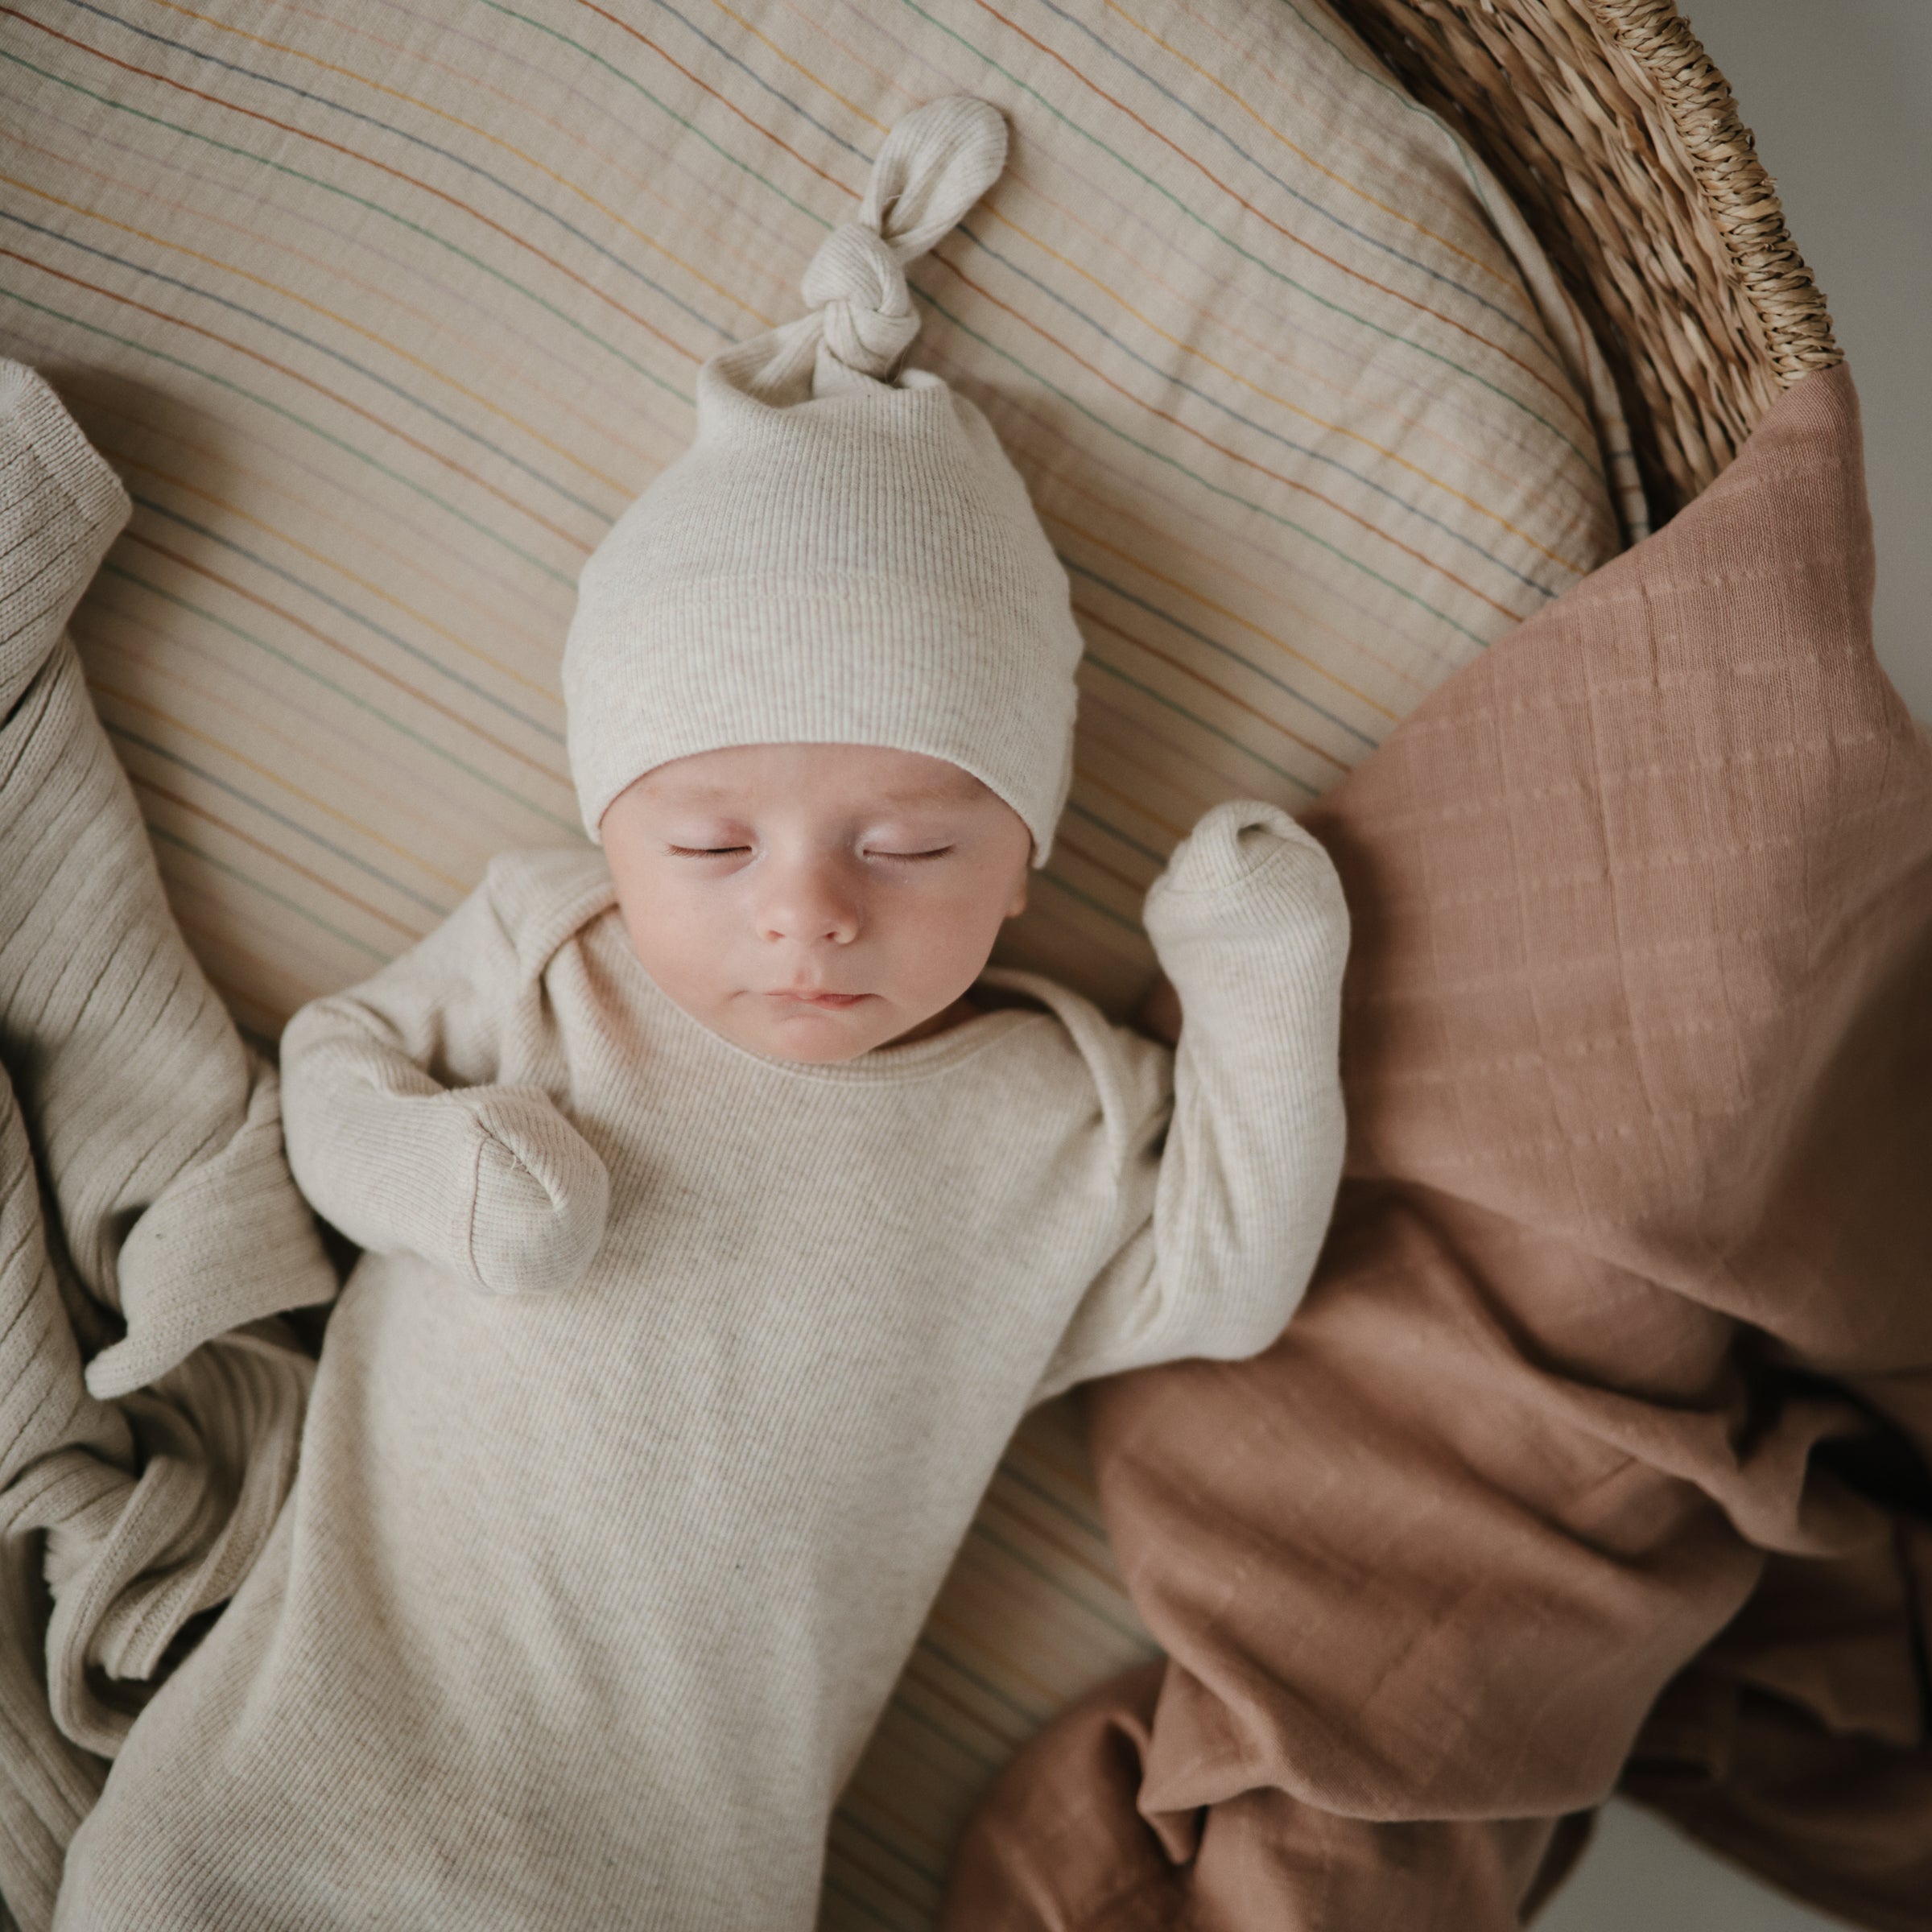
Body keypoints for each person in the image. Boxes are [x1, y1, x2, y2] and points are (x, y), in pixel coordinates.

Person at [56, 97, 1349, 1930]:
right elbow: (329, 1076)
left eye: (908, 842)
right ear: (611, 827)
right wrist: (444, 1177)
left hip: (676, 1868)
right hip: (304, 1788)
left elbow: (1229, 1271)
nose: (807, 906)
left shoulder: (1051, 1114)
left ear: (1023, 859)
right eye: (713, 836)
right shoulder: (549, 944)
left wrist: (1264, 979)